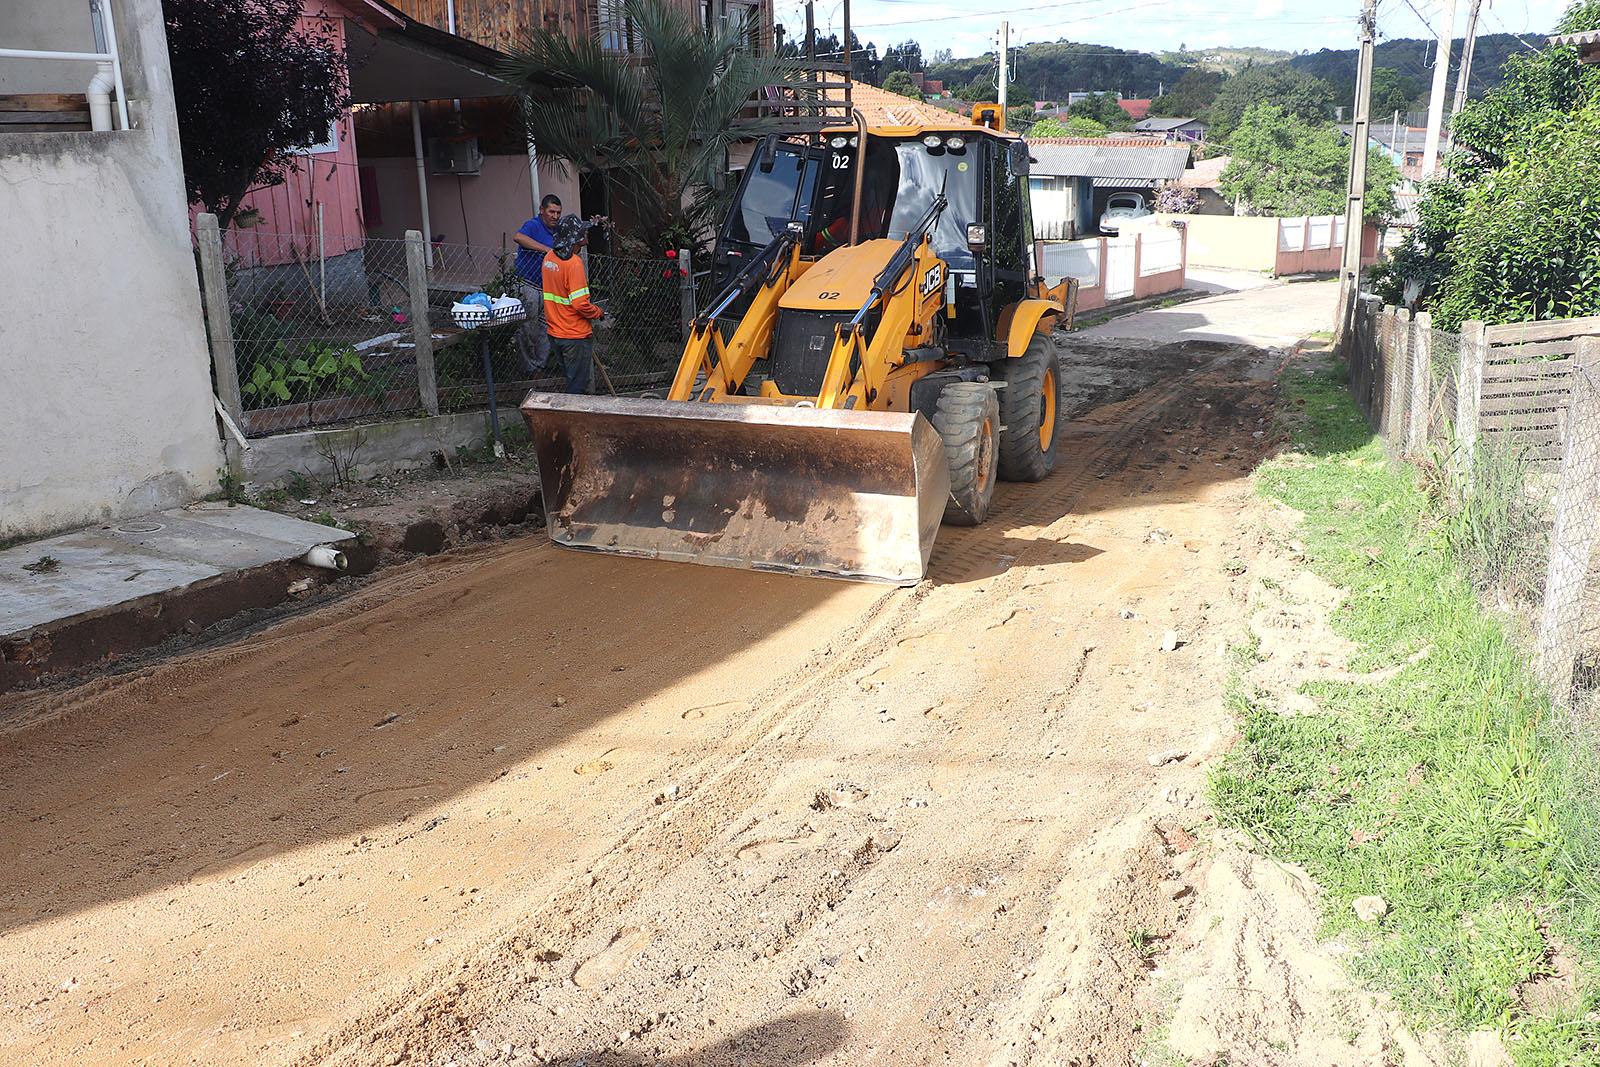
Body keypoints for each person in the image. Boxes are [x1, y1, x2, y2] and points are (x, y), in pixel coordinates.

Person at [542, 214, 604, 394]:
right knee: (577, 388)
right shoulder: (574, 264)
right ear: (575, 238)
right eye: (583, 233)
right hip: (574, 336)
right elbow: (579, 304)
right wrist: (598, 312)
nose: (586, 236)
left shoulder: (549, 258)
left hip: (555, 333)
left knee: (571, 381)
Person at [511, 193, 562, 377]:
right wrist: (546, 249)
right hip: (528, 284)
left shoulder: (557, 230)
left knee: (545, 328)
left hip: (548, 287)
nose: (555, 216)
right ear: (542, 210)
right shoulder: (533, 225)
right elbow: (518, 237)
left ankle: (540, 367)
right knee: (527, 327)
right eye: (551, 212)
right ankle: (528, 368)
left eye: (558, 213)